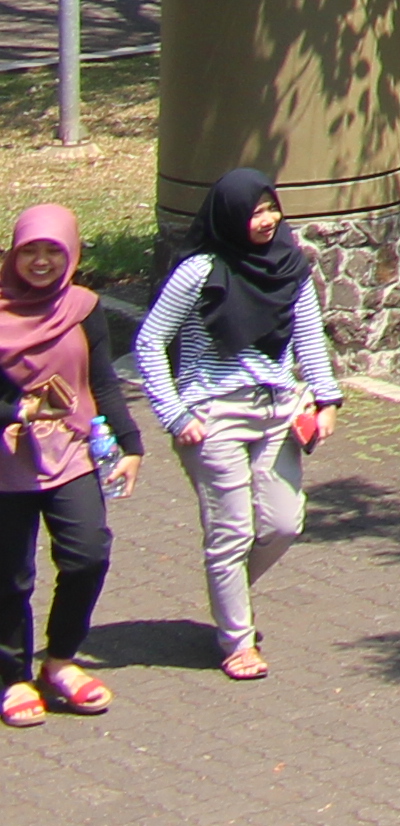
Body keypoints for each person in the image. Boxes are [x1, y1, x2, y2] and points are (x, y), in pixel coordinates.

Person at [131, 170, 335, 683]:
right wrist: (174, 414)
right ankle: (237, 642)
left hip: (279, 412)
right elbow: (149, 342)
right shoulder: (201, 271)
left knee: (283, 523)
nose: (266, 220)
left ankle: (229, 596)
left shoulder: (292, 266)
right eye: (253, 212)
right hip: (212, 414)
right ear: (229, 216)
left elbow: (309, 338)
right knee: (232, 531)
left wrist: (327, 399)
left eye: (272, 209)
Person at [2, 203, 136, 725]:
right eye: (29, 250)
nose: (40, 261)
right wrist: (21, 408)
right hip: (6, 460)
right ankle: (12, 677)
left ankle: (59, 661)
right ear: (13, 254)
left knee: (87, 555)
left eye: (52, 251)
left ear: (71, 254)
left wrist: (131, 445)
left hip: (70, 452)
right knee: (9, 578)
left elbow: (100, 381)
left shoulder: (82, 307)